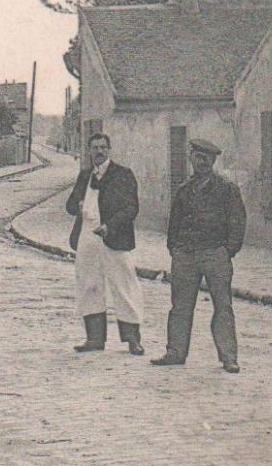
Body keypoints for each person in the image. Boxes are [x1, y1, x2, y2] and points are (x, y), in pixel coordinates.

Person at [154, 138, 246, 373]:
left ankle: (228, 356)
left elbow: (237, 222)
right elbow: (173, 224)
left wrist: (227, 250)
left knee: (223, 305)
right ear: (191, 158)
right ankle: (175, 352)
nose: (202, 162)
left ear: (213, 161)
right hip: (185, 254)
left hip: (215, 254)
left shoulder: (227, 189)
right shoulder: (184, 190)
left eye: (207, 158)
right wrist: (174, 249)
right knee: (180, 306)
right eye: (198, 157)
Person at [66, 133, 146, 356]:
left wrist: (110, 225)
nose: (99, 151)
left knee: (124, 285)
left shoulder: (123, 175)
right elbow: (70, 205)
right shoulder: (84, 176)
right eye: (94, 148)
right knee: (89, 285)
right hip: (87, 237)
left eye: (103, 147)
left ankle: (133, 339)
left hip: (114, 237)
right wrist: (79, 203)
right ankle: (94, 338)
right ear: (89, 151)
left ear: (109, 149)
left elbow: (131, 208)